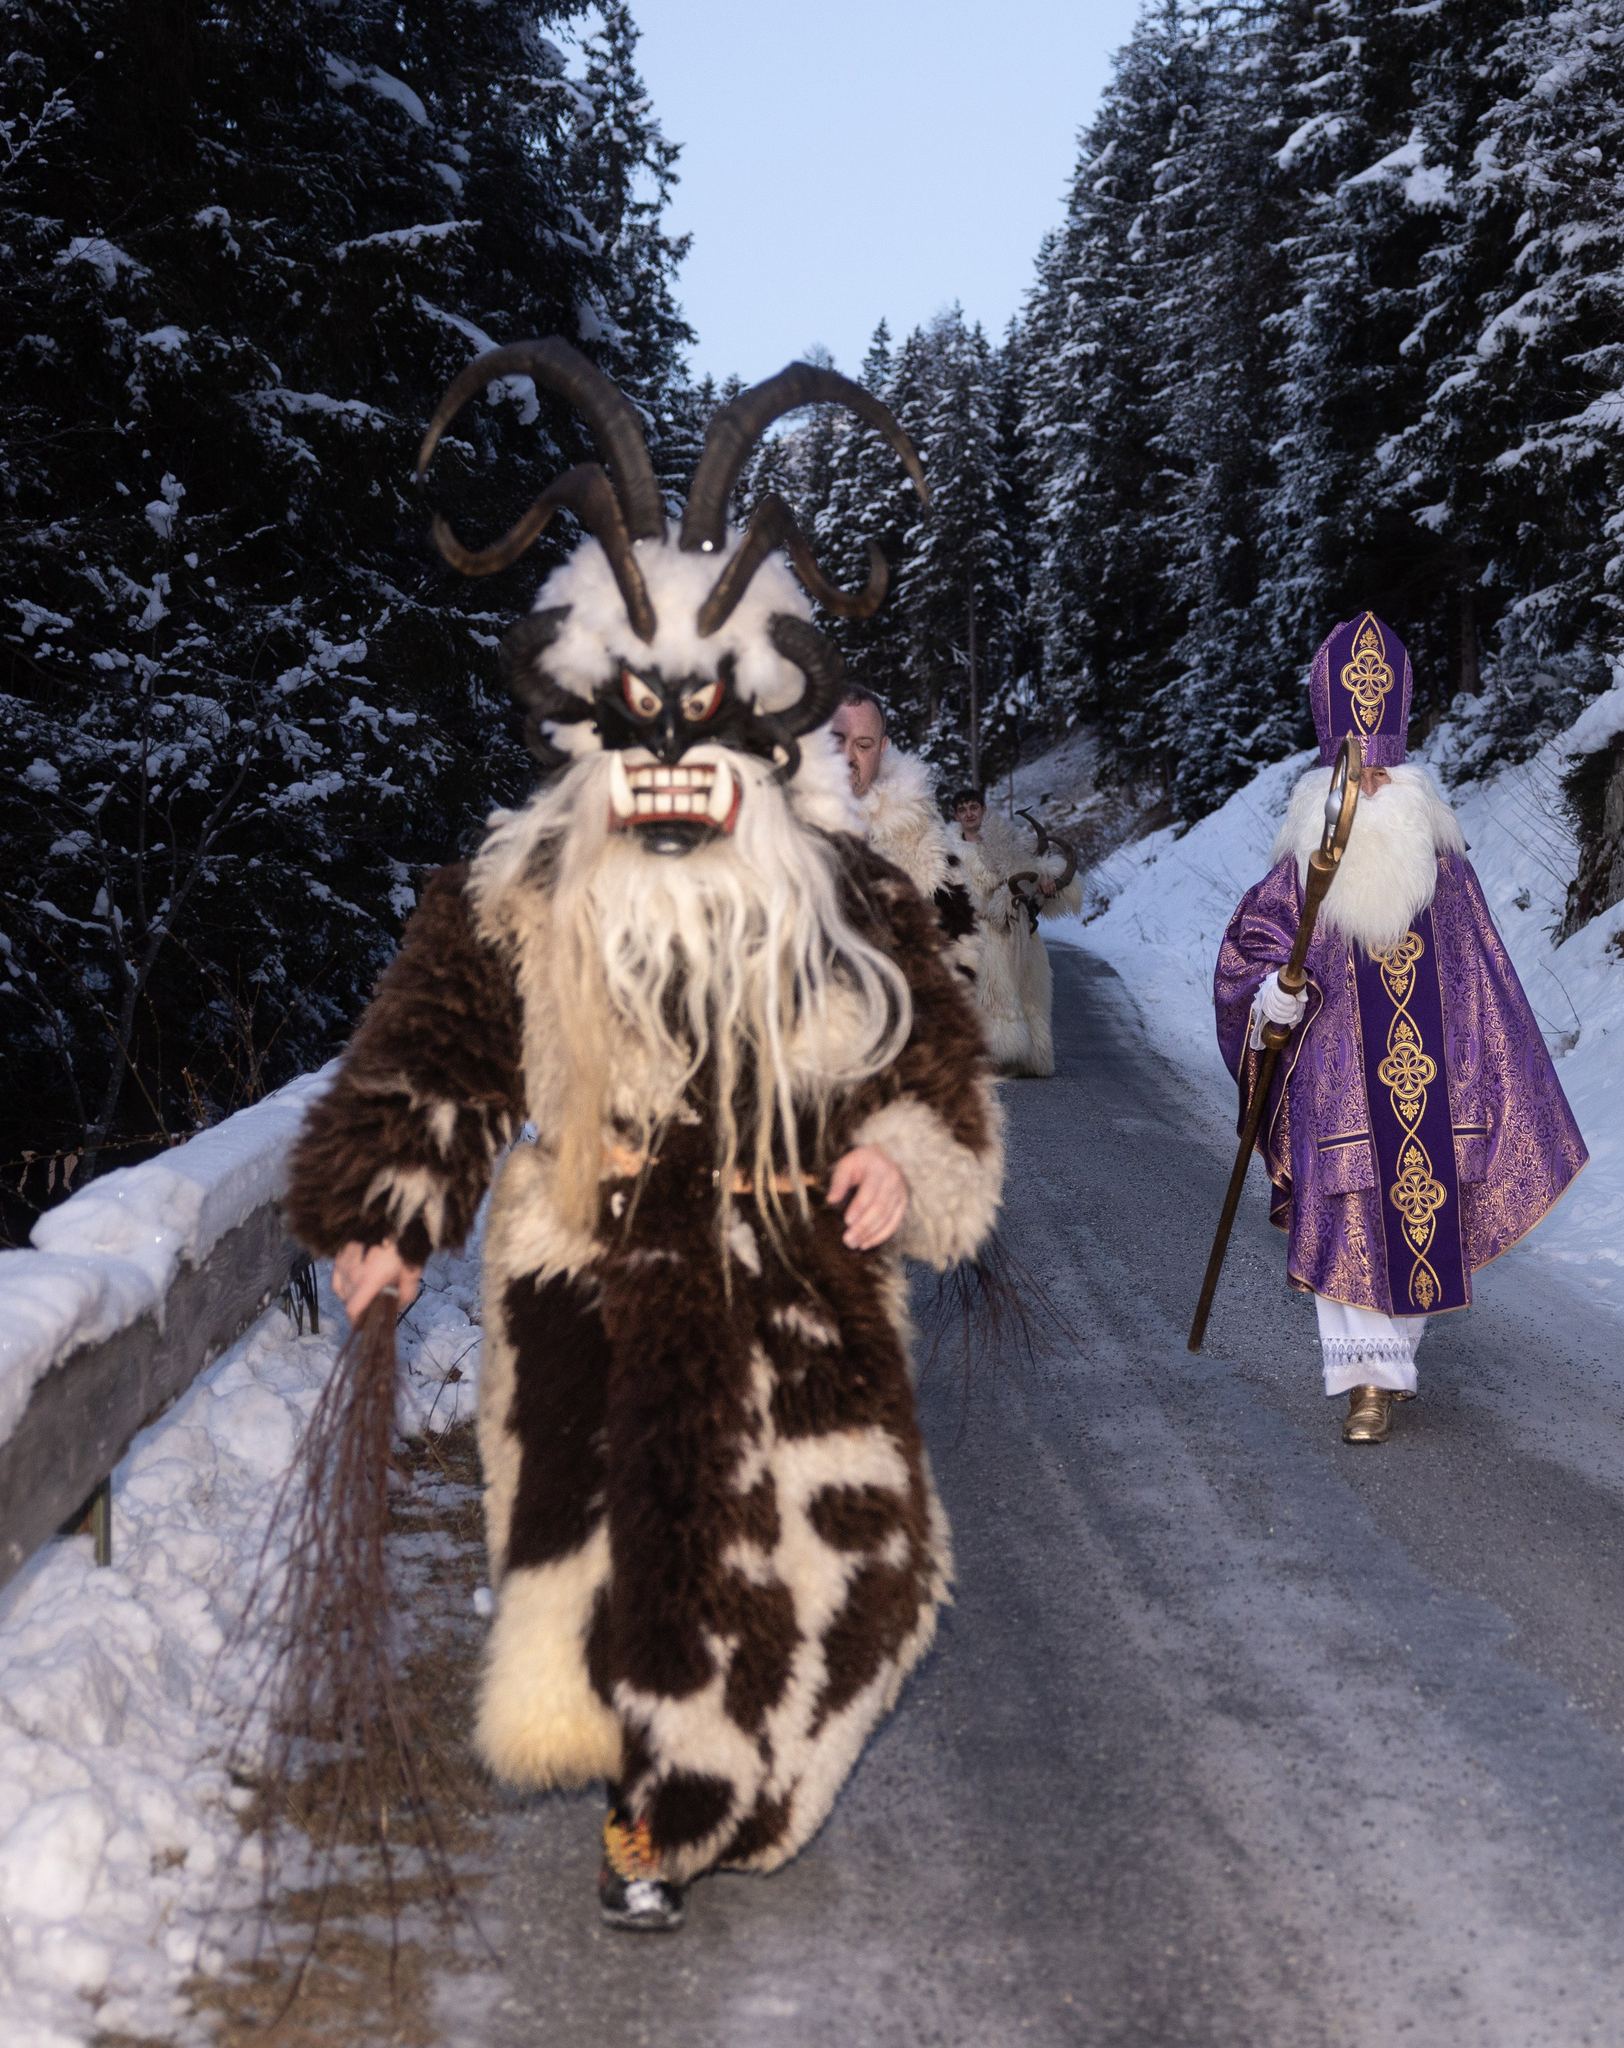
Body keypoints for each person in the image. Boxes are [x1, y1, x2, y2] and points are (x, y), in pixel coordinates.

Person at [284, 343, 1002, 1933]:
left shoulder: (851, 898)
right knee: (618, 1570)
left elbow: (936, 1060)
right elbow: (436, 1054)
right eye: (640, 723)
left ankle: (725, 1793)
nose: (674, 757)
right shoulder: (521, 890)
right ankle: (652, 1813)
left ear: (755, 736)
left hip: (795, 1287)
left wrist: (901, 1157)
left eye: (706, 725)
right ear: (591, 727)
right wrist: (392, 1215)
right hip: (589, 1270)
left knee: (841, 1583)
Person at [1211, 613, 1586, 1442]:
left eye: (1383, 770)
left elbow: (1483, 980)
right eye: (1357, 771)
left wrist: (1489, 1073)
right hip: (1335, 1079)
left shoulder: (1442, 866)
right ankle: (1365, 1384)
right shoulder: (1299, 863)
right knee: (1346, 1206)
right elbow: (1251, 953)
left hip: (1427, 1080)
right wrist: (1271, 994)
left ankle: (1395, 1361)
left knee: (1421, 1207)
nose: (1372, 786)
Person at [938, 785, 1082, 1077]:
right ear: (955, 815)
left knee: (1030, 992)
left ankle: (1032, 1057)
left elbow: (1034, 875)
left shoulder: (1010, 843)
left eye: (973, 808)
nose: (968, 814)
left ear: (983, 810)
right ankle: (993, 1056)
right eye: (962, 810)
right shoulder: (946, 850)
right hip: (975, 931)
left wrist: (1046, 884)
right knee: (987, 993)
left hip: (1018, 929)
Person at [833, 685, 950, 896]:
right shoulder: (775, 820)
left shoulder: (922, 841)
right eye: (836, 741)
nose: (847, 757)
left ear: (881, 749)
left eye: (864, 745)